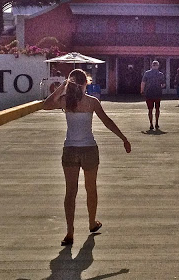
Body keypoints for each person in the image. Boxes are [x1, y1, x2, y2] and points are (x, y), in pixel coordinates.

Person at [43, 68, 131, 247]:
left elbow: (45, 104)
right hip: (89, 149)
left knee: (70, 192)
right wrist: (123, 138)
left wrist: (62, 86)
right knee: (91, 188)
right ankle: (92, 222)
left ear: (71, 84)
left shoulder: (65, 101)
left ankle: (70, 231)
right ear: (86, 84)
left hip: (70, 149)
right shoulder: (92, 102)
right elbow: (107, 121)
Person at [140, 60, 166, 130]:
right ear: (158, 66)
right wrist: (160, 86)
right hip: (157, 93)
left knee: (150, 110)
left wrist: (142, 91)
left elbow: (143, 83)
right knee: (157, 109)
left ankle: (151, 123)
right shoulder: (160, 74)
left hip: (149, 93)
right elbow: (163, 84)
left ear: (152, 65)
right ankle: (156, 123)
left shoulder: (147, 73)